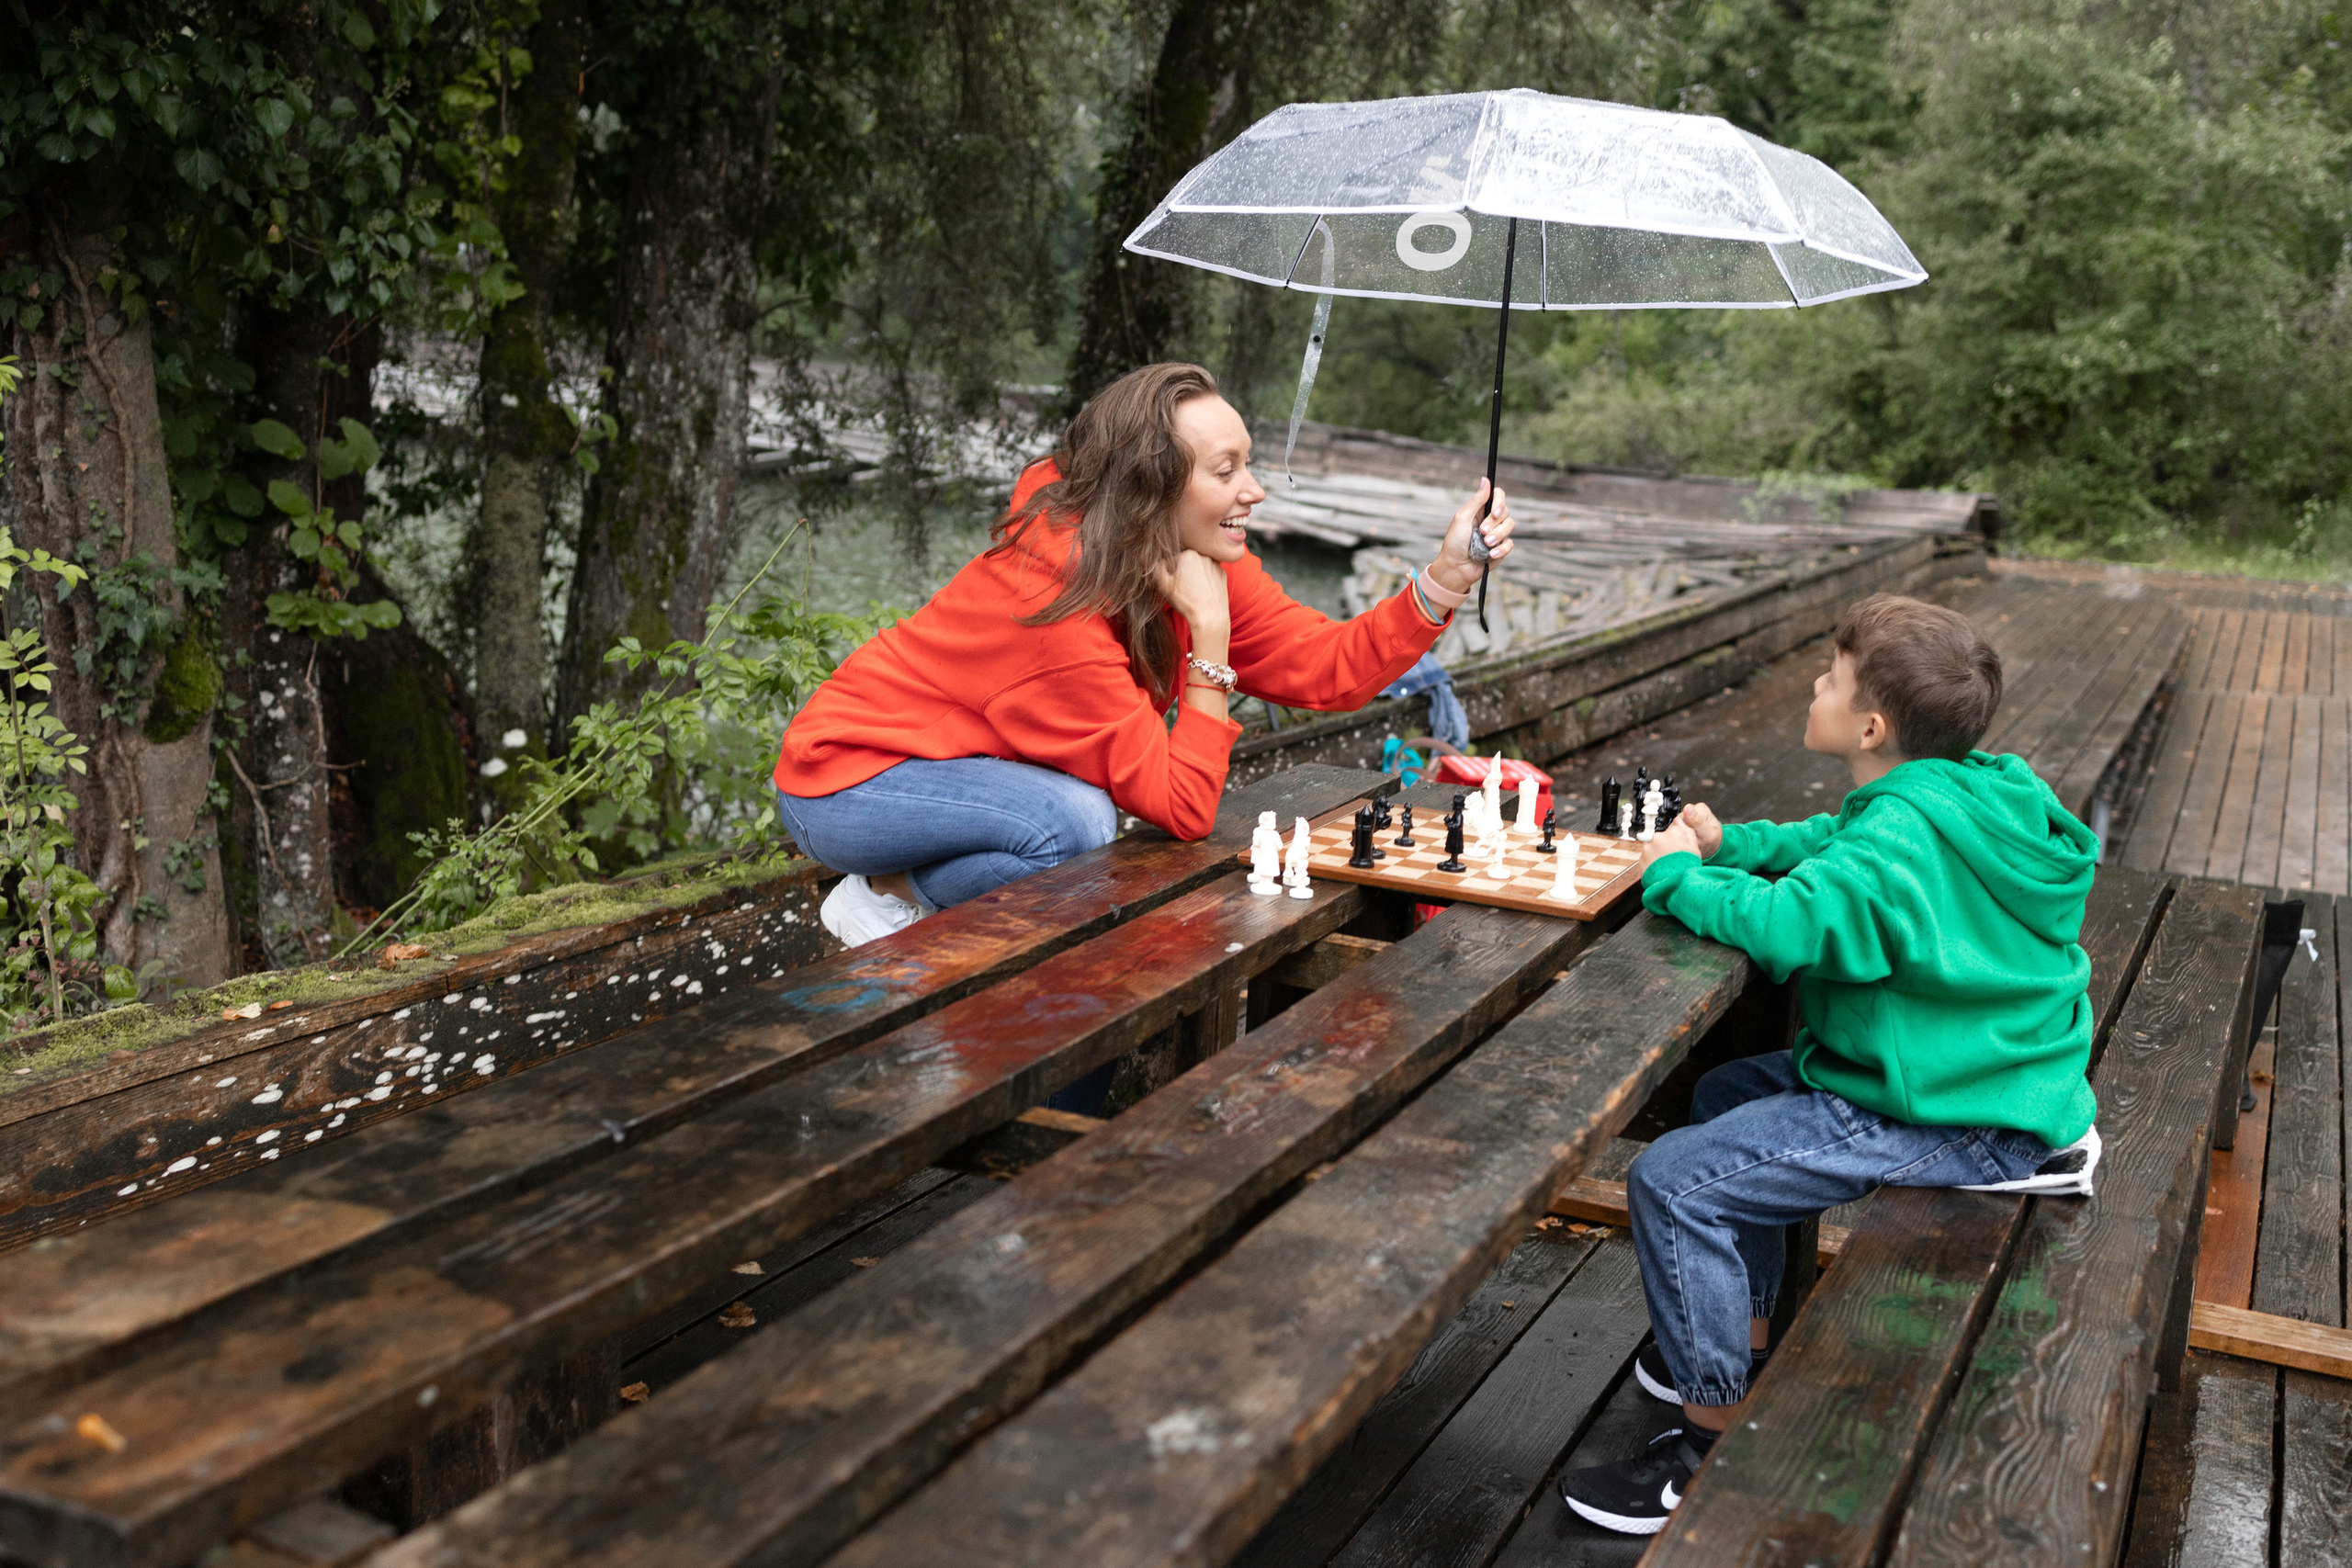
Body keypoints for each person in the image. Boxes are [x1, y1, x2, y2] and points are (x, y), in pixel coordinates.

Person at [1557, 593, 2103, 1537]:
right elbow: (1833, 845)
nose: (1813, 685)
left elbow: (1791, 928)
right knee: (1726, 1093)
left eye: (1829, 676)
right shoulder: (1962, 788)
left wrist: (1677, 874)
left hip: (1952, 1114)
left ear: (1870, 723)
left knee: (1675, 1183)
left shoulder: (1895, 837)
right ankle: (1743, 1343)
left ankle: (1707, 1446)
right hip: (1983, 1074)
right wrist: (1736, 844)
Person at [773, 362, 1514, 948]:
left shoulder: (1196, 557)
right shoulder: (1055, 606)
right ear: (1147, 491)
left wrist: (1445, 578)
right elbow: (1183, 807)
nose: (1253, 491)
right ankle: (883, 899)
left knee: (1072, 833)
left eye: (1246, 465)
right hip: (847, 781)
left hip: (965, 770)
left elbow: (1326, 664)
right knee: (1075, 825)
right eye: (1225, 472)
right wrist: (1211, 643)